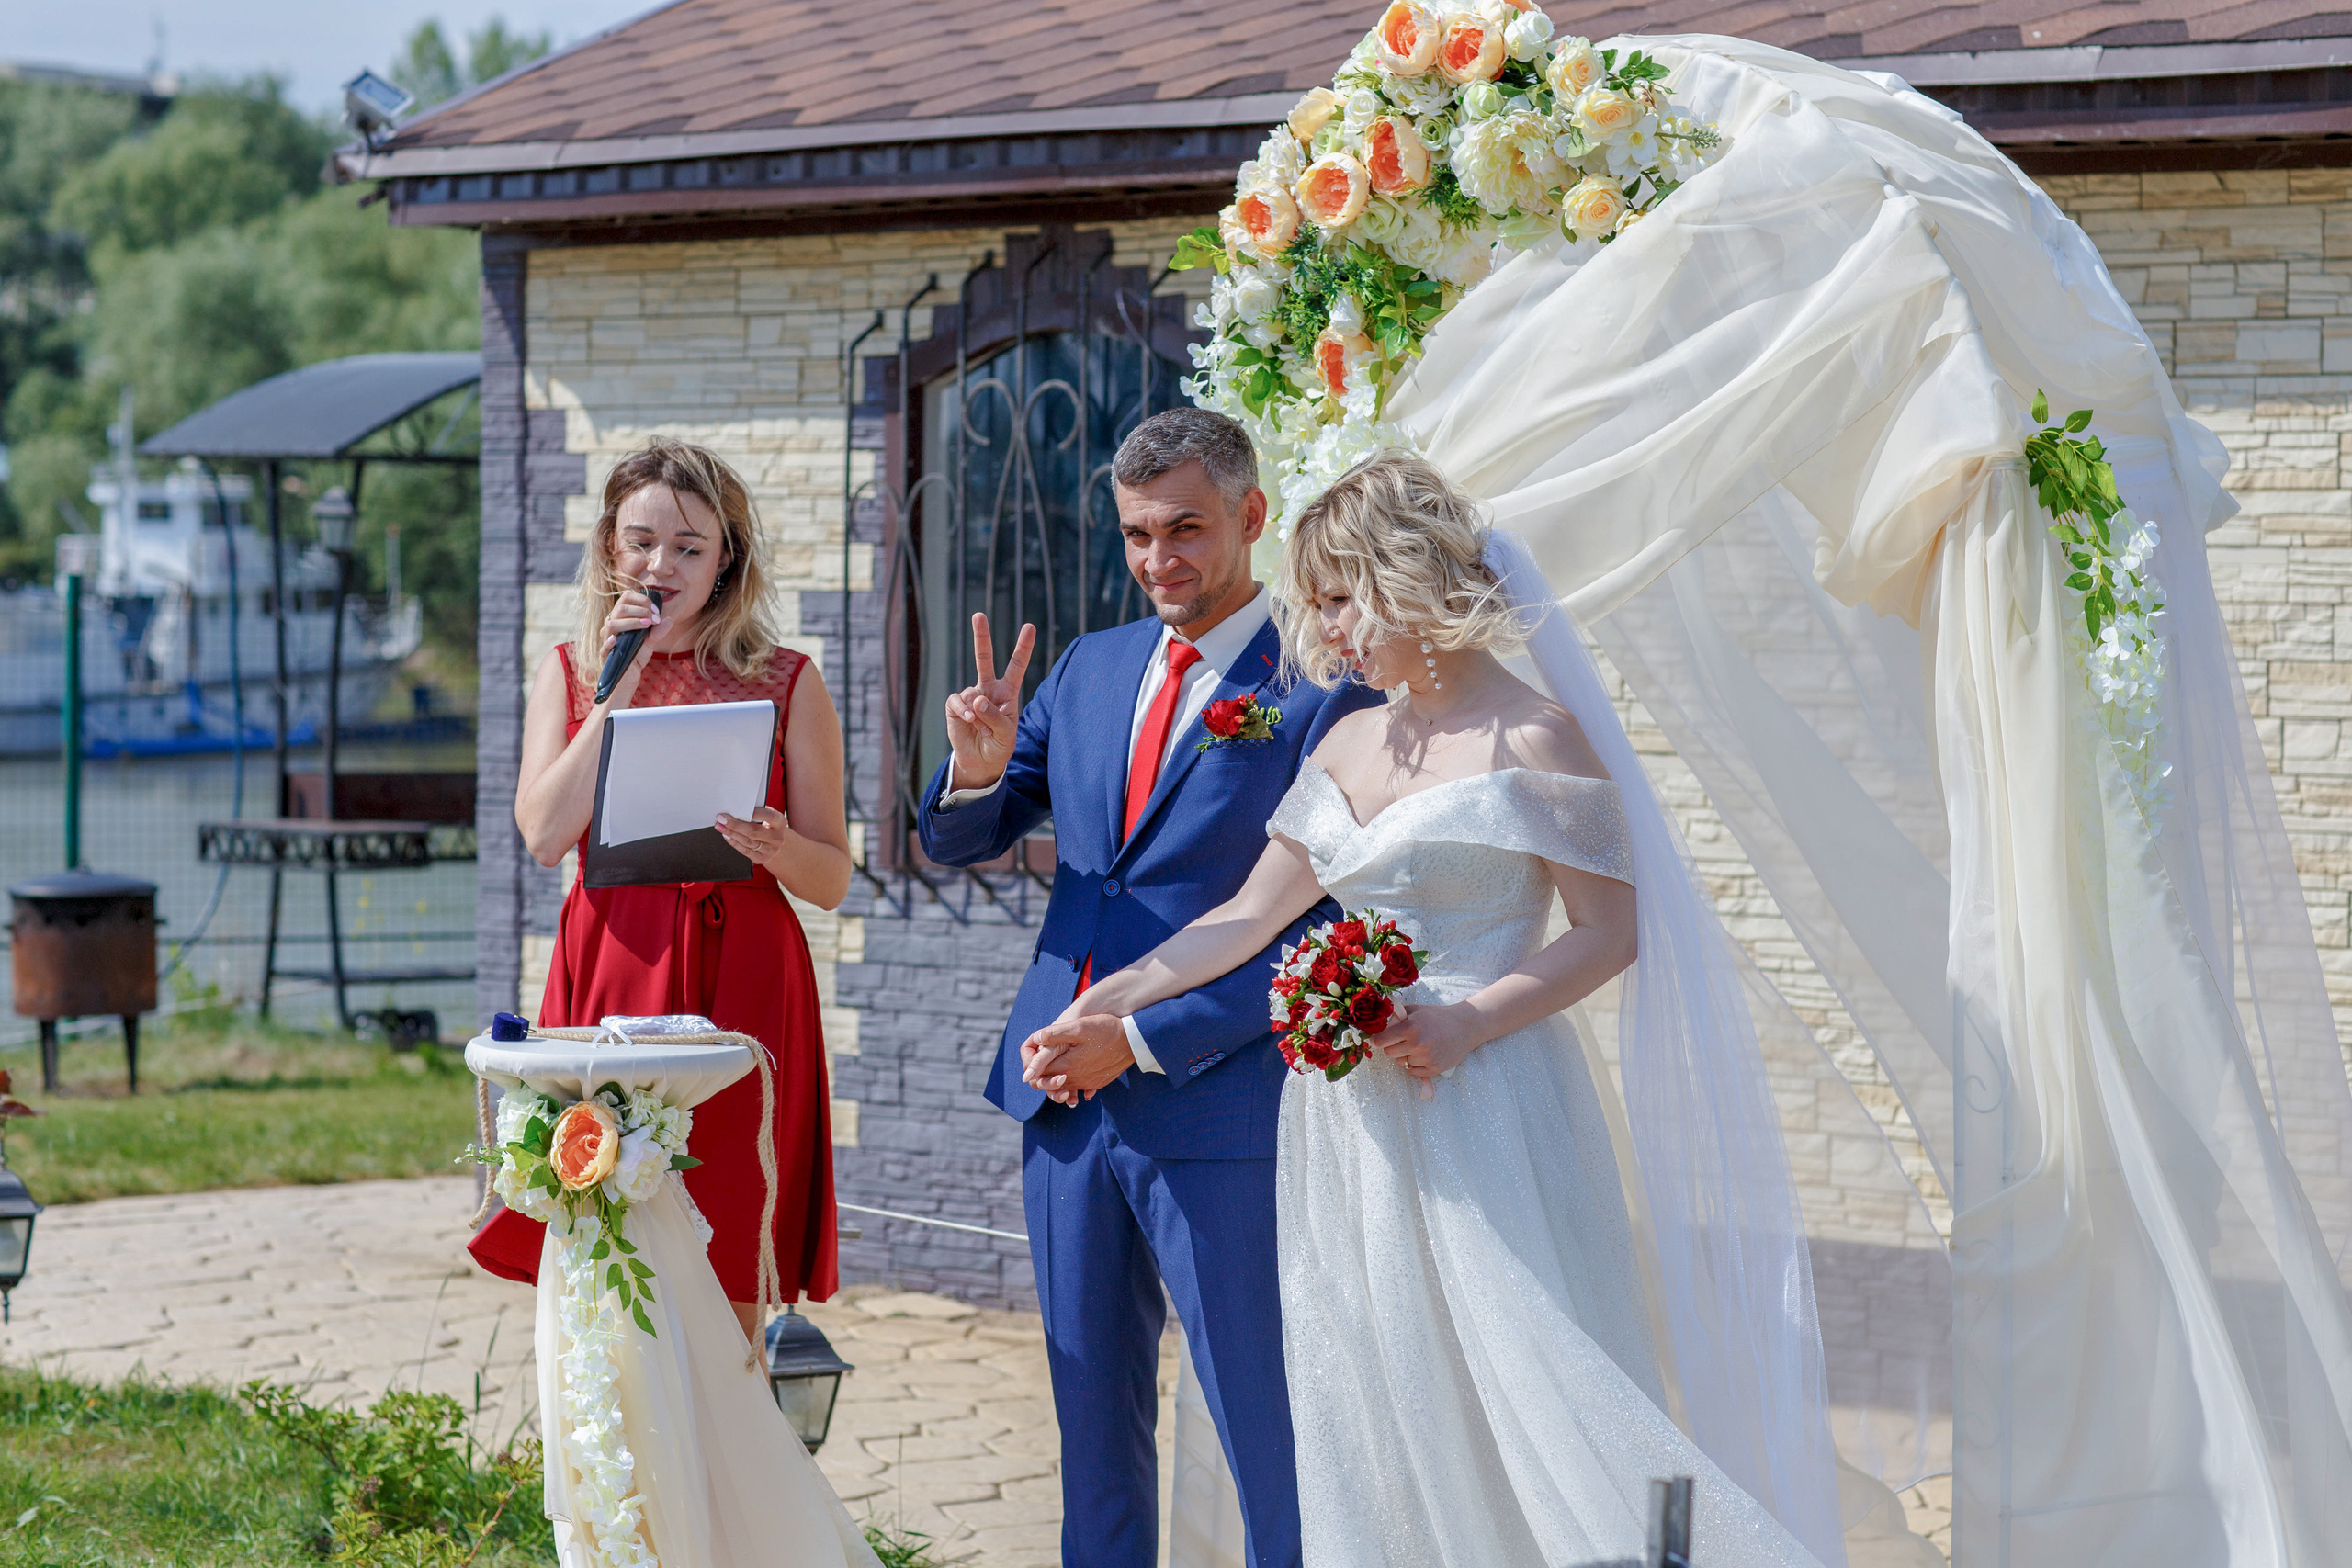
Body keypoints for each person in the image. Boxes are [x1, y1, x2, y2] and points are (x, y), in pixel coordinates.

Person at [1030, 452, 1827, 1567]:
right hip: (1344, 1123)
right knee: (1371, 1395)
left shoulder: (1539, 737)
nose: (1328, 633)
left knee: (1530, 1373)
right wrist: (1103, 1004)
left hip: (1484, 1099)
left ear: (1409, 577)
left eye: (1341, 598)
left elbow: (1611, 932)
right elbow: (1246, 920)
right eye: (1318, 604)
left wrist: (1470, 1021)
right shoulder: (1351, 739)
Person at [919, 408, 1384, 1568]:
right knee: (1091, 1434)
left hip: (1222, 1106)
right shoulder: (1090, 665)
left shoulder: (1325, 685)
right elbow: (964, 835)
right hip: (1060, 1104)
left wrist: (1144, 1036)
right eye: (1135, 534)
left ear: (1252, 516)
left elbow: (1333, 932)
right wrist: (973, 774)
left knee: (1266, 1427)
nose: (1157, 559)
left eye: (1184, 529)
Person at [469, 436, 850, 1340]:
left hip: (744, 975)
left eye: (688, 547)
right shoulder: (567, 672)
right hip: (612, 965)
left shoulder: (787, 680)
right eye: (642, 542)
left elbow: (832, 877)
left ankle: (737, 1414)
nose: (661, 566)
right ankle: (616, 1425)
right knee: (606, 1227)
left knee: (732, 1228)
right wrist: (620, 686)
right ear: (611, 547)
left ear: (726, 561)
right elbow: (542, 834)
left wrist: (776, 846)